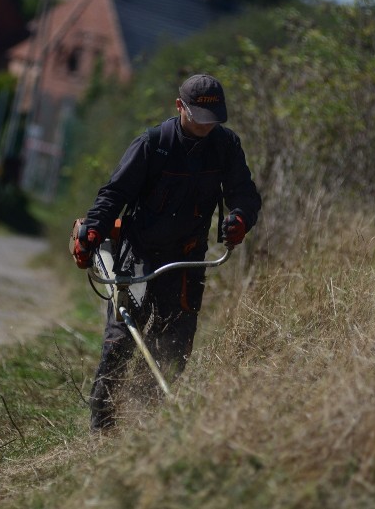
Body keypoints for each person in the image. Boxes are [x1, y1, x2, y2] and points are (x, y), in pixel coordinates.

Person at [71, 74, 262, 431]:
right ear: (180, 107)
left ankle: (148, 424)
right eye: (200, 119)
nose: (207, 128)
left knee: (176, 343)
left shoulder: (225, 146)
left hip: (187, 259)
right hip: (139, 255)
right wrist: (93, 231)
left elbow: (245, 194)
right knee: (122, 339)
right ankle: (103, 428)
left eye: (213, 120)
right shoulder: (152, 144)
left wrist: (239, 218)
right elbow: (114, 195)